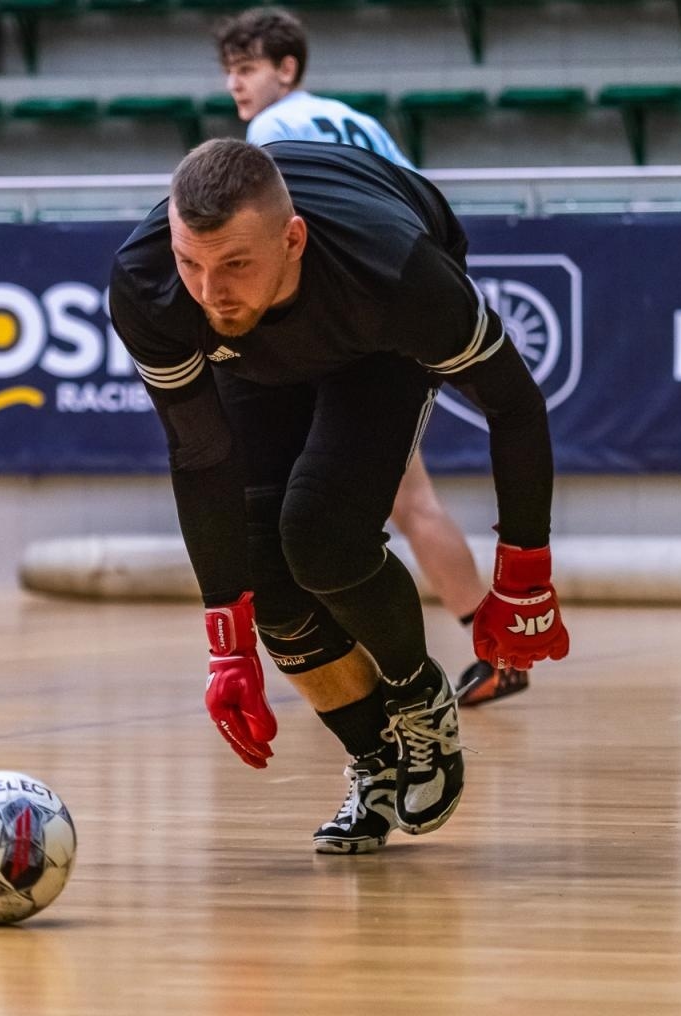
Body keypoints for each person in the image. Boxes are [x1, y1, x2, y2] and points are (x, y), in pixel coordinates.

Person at [108, 138, 569, 852]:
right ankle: (372, 757)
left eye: (234, 264)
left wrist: (525, 567)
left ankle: (420, 696)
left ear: (292, 239)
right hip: (256, 359)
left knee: (320, 536)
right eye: (190, 262)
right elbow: (199, 454)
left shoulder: (399, 274)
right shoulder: (149, 285)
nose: (209, 291)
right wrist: (226, 645)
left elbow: (515, 404)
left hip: (375, 341)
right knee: (267, 578)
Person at [214, 6, 527, 707]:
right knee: (398, 500)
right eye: (229, 72)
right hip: (400, 302)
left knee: (394, 502)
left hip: (341, 328)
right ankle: (473, 644)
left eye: (247, 69)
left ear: (285, 69)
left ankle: (419, 654)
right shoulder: (359, 122)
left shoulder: (270, 133)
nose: (236, 85)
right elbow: (416, 205)